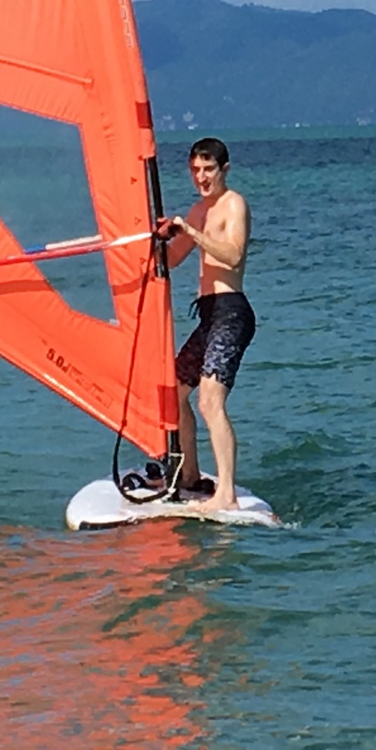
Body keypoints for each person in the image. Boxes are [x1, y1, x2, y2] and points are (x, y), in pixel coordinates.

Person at [158, 137, 252, 514]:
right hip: (208, 315)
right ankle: (191, 477)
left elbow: (232, 255)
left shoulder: (234, 204)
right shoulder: (197, 211)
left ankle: (226, 493)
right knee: (175, 394)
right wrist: (155, 238)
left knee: (210, 401)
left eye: (208, 170)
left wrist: (192, 233)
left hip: (232, 313)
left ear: (224, 169)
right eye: (195, 170)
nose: (201, 177)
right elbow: (173, 258)